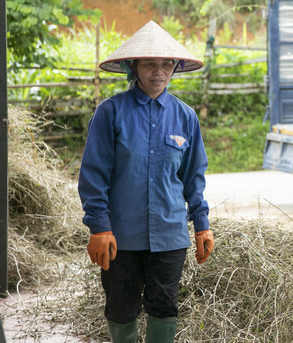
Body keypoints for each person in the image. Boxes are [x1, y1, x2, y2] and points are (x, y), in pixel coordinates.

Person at [78, 20, 214, 343]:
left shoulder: (185, 117)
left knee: (164, 307)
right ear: (133, 66)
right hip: (121, 236)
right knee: (121, 308)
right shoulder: (110, 113)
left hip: (170, 235)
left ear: (175, 67)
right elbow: (93, 175)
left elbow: (194, 176)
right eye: (150, 64)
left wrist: (202, 224)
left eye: (166, 64)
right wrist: (99, 226)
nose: (159, 72)